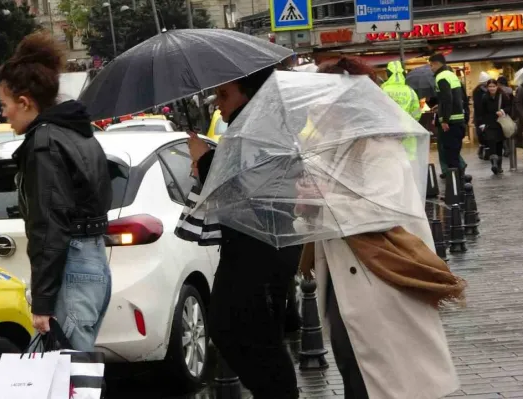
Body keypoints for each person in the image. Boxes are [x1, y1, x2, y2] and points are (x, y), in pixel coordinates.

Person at [297, 56, 460, 399]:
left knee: (390, 383)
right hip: (342, 285)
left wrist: (323, 202)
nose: (315, 106)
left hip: (383, 280)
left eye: (322, 96)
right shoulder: (326, 148)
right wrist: (305, 207)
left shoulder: (379, 145)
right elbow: (315, 220)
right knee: (356, 374)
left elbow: (382, 209)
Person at [0, 32, 113, 351]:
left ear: (24, 102)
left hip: (70, 269)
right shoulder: (78, 134)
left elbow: (49, 225)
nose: (3, 113)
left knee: (67, 376)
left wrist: (43, 302)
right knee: (73, 374)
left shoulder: (44, 144)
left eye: (4, 104)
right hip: (92, 261)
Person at [187, 67, 300, 399]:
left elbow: (246, 190)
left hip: (260, 251)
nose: (217, 104)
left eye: (224, 95)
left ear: (248, 95)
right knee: (245, 333)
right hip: (248, 248)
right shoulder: (249, 128)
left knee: (243, 333)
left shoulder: (256, 131)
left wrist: (205, 162)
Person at [429, 54, 467, 178]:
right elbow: (459, 98)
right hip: (458, 120)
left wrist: (444, 120)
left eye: (431, 65)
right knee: (454, 155)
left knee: (450, 156)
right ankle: (460, 185)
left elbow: (447, 99)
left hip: (450, 123)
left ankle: (456, 189)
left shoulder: (441, 77)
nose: (431, 68)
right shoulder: (451, 75)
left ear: (436, 63)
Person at [478, 79, 513, 175]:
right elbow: (482, 112)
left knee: (499, 145)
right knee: (491, 142)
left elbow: (509, 107)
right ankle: (494, 164)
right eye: (490, 86)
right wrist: (482, 124)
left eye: (493, 86)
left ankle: (499, 166)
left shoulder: (503, 96)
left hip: (500, 124)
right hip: (489, 124)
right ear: (487, 87)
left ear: (497, 86)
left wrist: (502, 111)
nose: (492, 88)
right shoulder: (485, 97)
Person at [473, 72, 491, 160]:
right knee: (484, 134)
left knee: (483, 134)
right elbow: (479, 106)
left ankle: (484, 150)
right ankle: (485, 151)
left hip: (481, 117)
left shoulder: (477, 91)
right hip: (481, 117)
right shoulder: (480, 92)